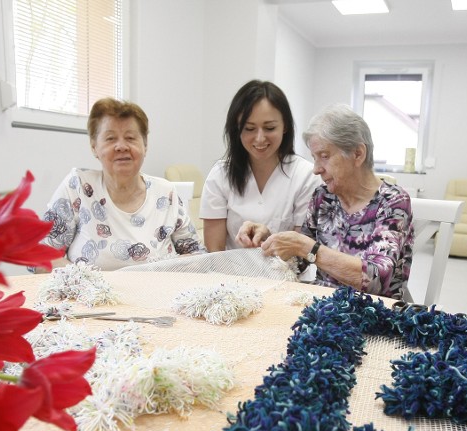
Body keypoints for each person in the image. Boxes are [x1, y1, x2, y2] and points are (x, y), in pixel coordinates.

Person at [247, 103, 414, 299]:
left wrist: (308, 247)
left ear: (358, 154)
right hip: (324, 310)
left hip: (374, 316)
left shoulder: (392, 202)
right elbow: (299, 262)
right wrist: (270, 239)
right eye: (314, 158)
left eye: (324, 156)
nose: (316, 169)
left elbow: (376, 280)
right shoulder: (323, 198)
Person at [39, 98, 205, 271]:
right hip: (92, 295)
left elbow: (196, 255)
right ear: (94, 146)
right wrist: (87, 281)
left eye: (130, 138)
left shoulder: (166, 193)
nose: (121, 146)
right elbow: (42, 256)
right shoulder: (78, 186)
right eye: (110, 138)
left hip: (157, 294)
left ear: (145, 145)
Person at [199, 80, 320, 252]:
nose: (260, 138)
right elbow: (214, 252)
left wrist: (270, 238)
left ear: (285, 125)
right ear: (237, 129)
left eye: (269, 128)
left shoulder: (306, 175)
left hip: (288, 275)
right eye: (249, 128)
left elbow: (303, 251)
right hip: (231, 275)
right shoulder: (220, 175)